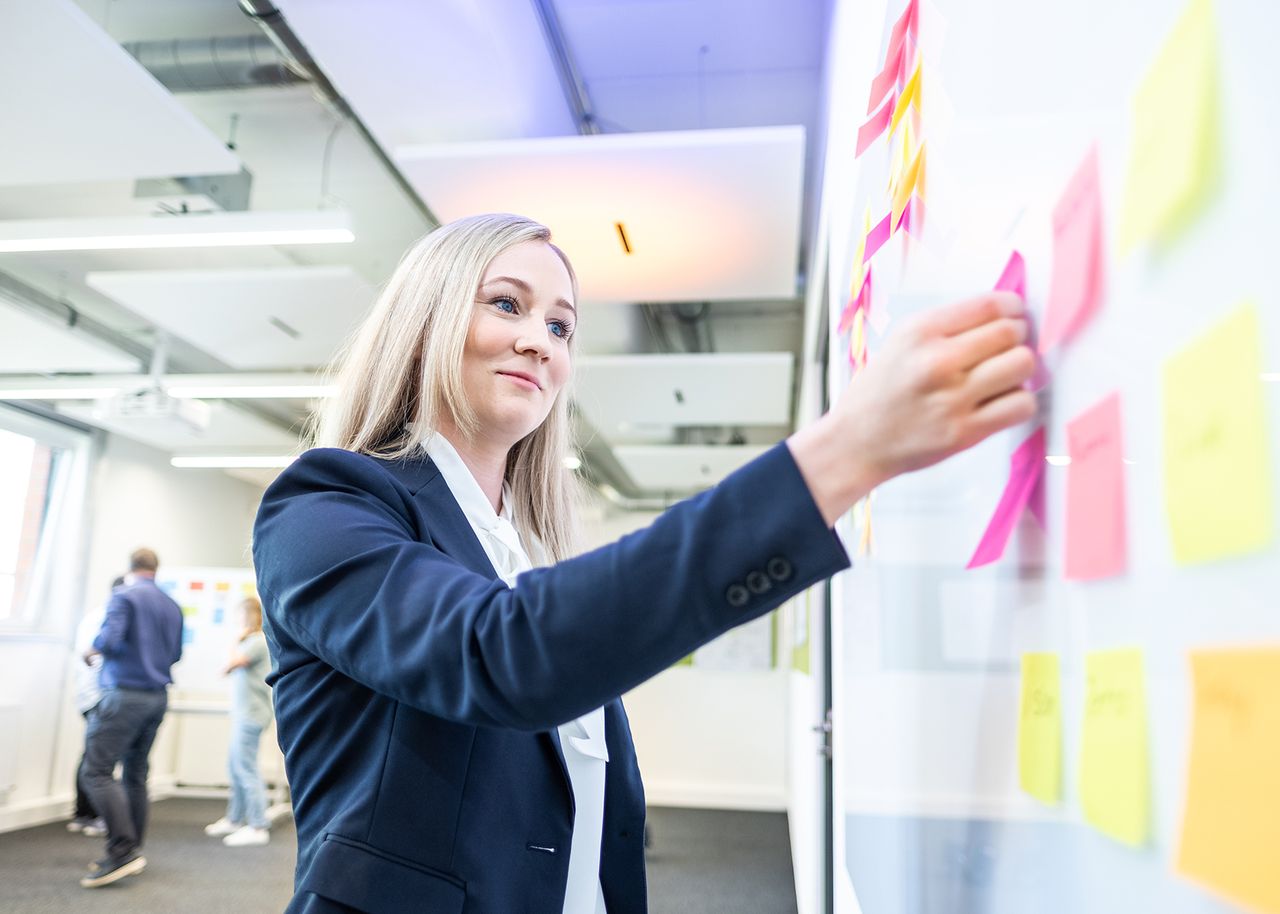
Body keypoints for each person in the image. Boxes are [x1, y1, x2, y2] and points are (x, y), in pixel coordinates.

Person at [252, 213, 1036, 913]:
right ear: (425, 320)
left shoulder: (520, 551)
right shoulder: (327, 504)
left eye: (562, 327)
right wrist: (840, 455)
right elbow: (503, 654)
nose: (539, 340)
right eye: (506, 304)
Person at [78, 548, 183, 889]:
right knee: (136, 775)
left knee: (95, 771)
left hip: (124, 695)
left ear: (130, 568)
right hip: (157, 697)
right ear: (155, 568)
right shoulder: (171, 604)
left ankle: (121, 851)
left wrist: (90, 649)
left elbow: (107, 640)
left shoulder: (124, 596)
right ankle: (133, 849)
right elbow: (176, 654)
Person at [204, 595, 274, 847]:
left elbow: (230, 665)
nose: (238, 621)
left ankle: (258, 826)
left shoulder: (257, 641)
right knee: (236, 768)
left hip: (253, 714)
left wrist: (235, 639)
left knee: (245, 769)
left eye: (241, 615)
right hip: (244, 713)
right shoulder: (250, 642)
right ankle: (234, 820)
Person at [66, 575, 126, 838]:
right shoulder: (109, 618)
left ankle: (84, 814)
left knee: (91, 755)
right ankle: (94, 815)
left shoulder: (98, 615)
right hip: (99, 696)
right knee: (99, 761)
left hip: (91, 695)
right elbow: (97, 659)